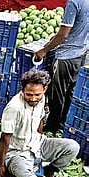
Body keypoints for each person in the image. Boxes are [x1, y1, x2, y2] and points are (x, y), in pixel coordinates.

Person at [0, 70, 80, 177]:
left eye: (37, 95)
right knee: (24, 175)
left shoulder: (42, 99)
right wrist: (0, 166)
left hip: (37, 144)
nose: (33, 98)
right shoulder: (14, 107)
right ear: (22, 89)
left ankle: (50, 171)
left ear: (44, 89)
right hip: (16, 152)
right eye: (29, 94)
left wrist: (40, 138)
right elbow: (5, 139)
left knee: (72, 147)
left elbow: (40, 121)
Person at [34, 0, 88, 132]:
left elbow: (63, 34)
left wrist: (44, 50)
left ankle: (53, 126)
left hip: (66, 56)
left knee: (56, 94)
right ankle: (64, 122)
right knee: (70, 91)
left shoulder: (73, 3)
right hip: (80, 53)